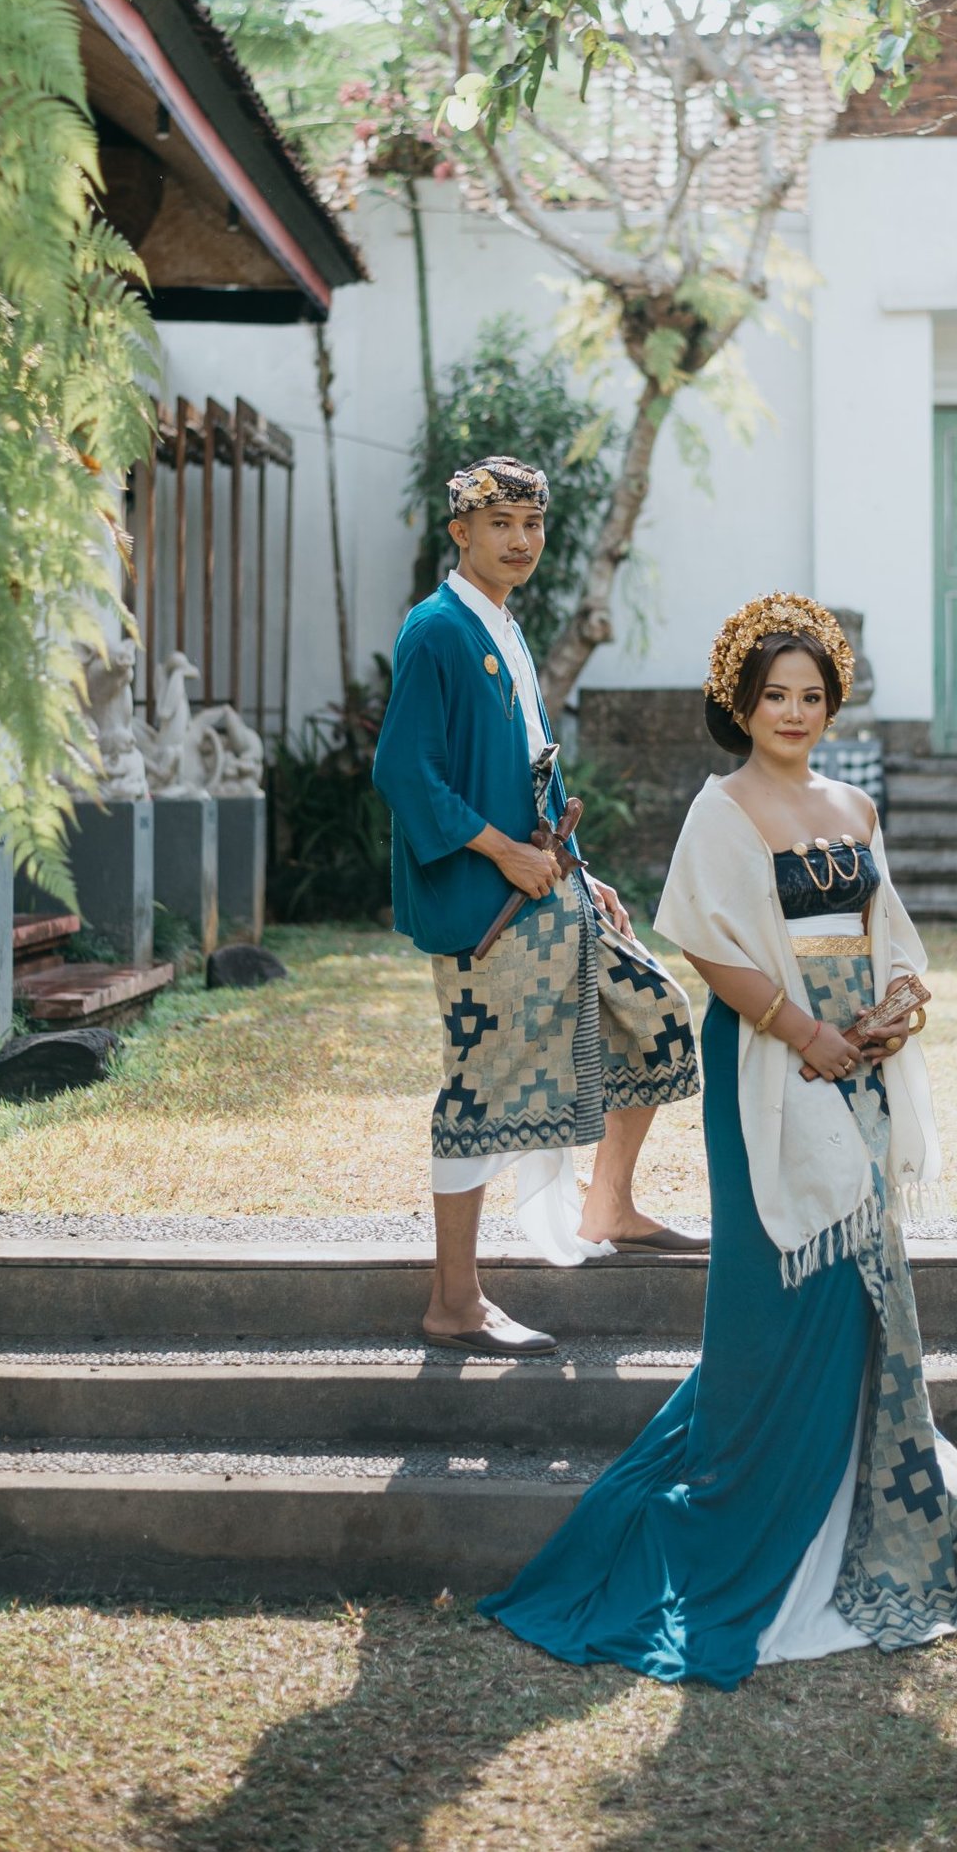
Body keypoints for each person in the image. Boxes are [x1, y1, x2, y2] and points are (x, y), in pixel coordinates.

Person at [481, 591, 957, 1681]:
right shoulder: (722, 809)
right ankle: (750, 1507)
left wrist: (891, 1008)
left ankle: (848, 1501)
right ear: (741, 701)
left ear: (832, 702)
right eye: (773, 693)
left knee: (856, 1277)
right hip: (771, 1061)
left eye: (810, 694)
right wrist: (806, 1031)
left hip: (860, 1066)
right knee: (773, 1282)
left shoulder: (855, 805)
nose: (792, 711)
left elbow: (886, 929)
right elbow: (711, 948)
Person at [372, 454, 703, 1359]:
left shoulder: (504, 625)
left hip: (550, 888)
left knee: (656, 1014)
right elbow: (404, 770)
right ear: (461, 533)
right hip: (482, 907)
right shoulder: (436, 629)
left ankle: (611, 1206)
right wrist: (503, 850)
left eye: (532, 524)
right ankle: (455, 1300)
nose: (521, 540)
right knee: (478, 1086)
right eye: (501, 525)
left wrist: (576, 868)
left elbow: (532, 767)